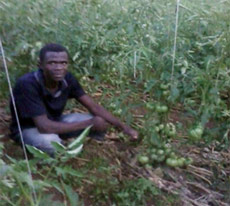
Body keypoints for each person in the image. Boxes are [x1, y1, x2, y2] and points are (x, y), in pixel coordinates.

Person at [10, 43, 138, 156]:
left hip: (55, 122)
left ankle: (93, 149)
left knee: (99, 119)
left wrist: (123, 127)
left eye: (63, 63)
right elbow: (44, 127)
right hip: (28, 129)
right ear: (41, 65)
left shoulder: (67, 79)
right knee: (51, 144)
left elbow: (94, 107)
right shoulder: (27, 84)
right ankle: (45, 156)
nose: (59, 68)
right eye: (52, 63)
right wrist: (88, 124)